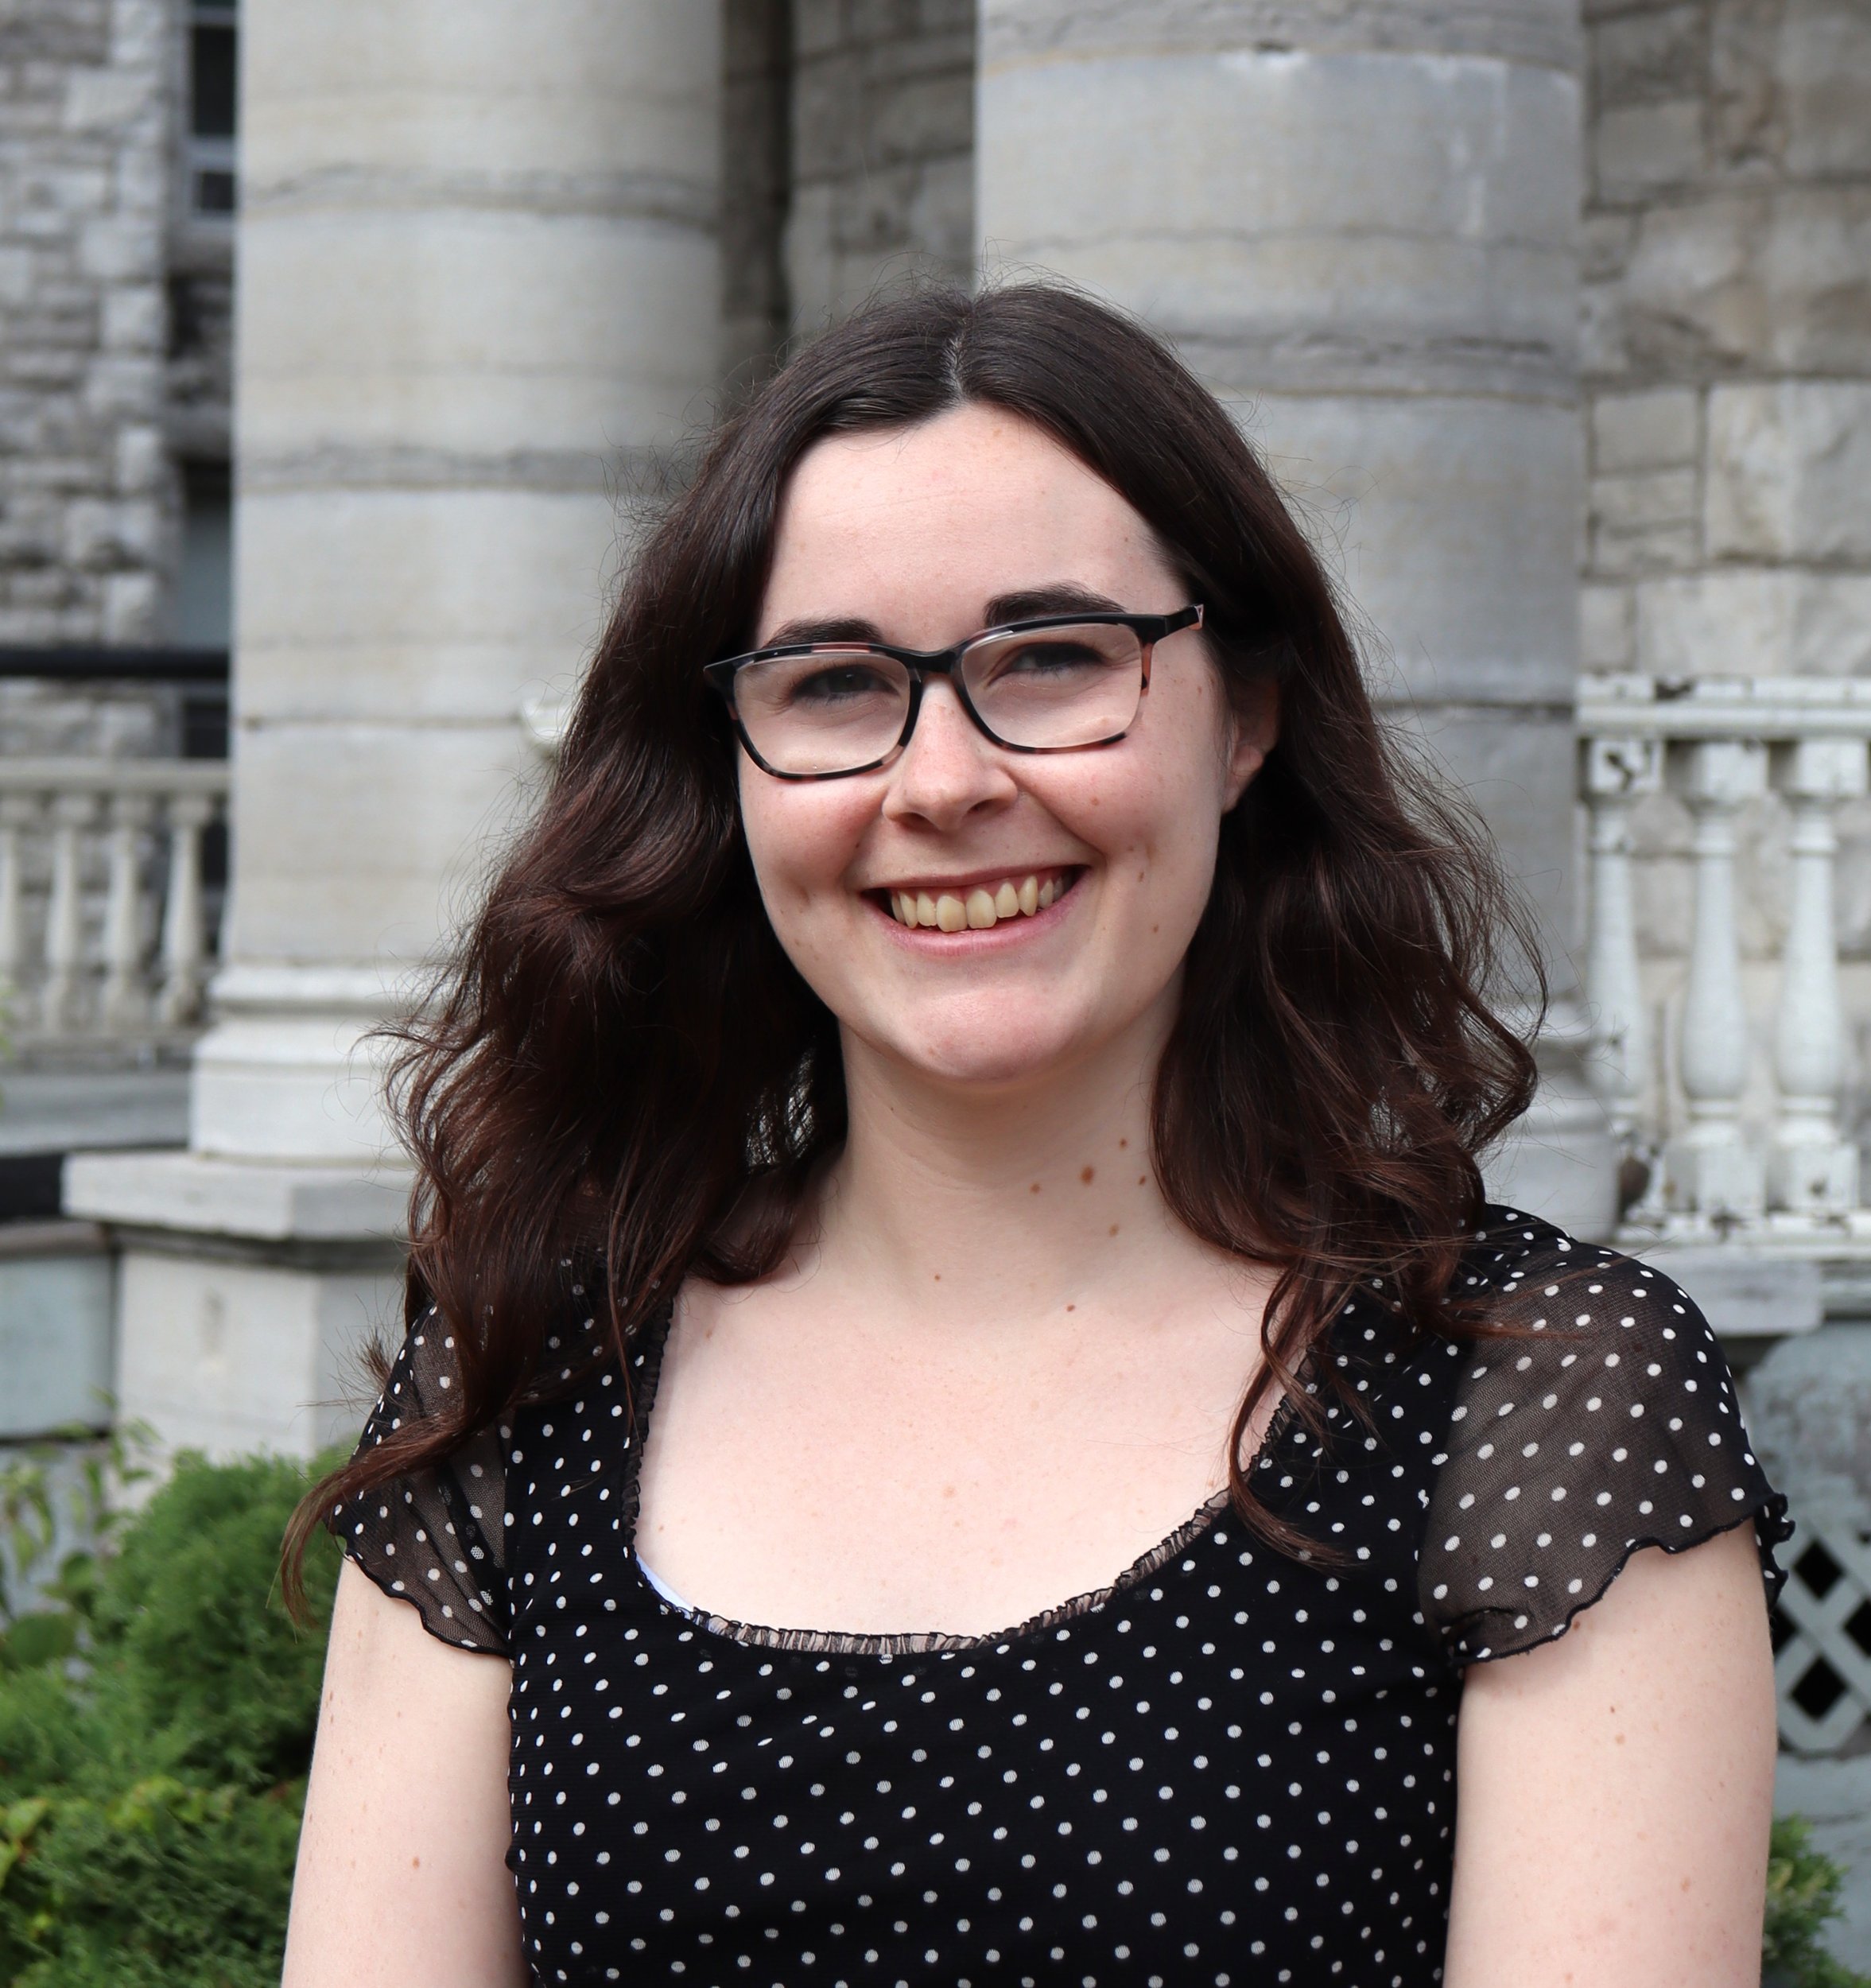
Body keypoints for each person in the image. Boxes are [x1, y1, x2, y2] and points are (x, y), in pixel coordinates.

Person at [281, 283, 1789, 1988]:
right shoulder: (536, 1372)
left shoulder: (1531, 1403)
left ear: (1244, 717)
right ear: (731, 766)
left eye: (1053, 656)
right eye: (835, 682)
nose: (938, 779)